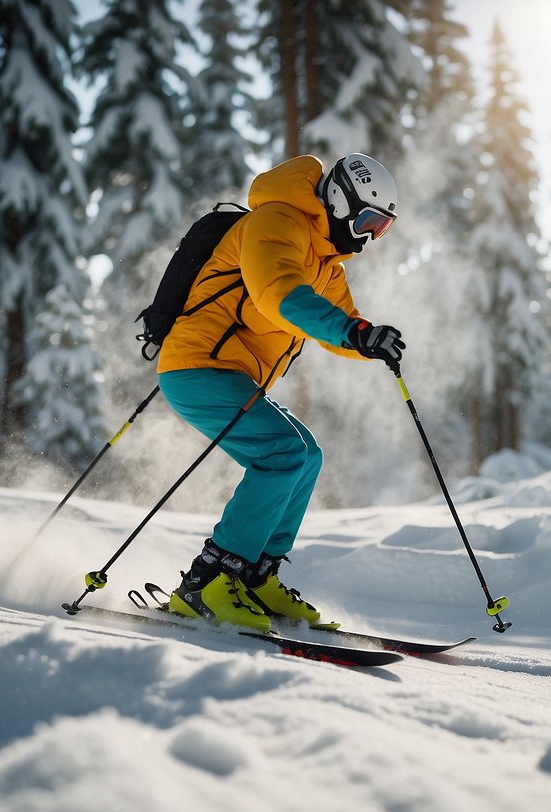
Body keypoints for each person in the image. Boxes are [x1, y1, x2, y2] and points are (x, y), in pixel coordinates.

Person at [157, 153, 404, 631]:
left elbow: (341, 326)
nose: (372, 236)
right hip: (197, 365)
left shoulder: (328, 264)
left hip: (233, 376)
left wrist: (369, 340)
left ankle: (254, 575)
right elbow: (279, 292)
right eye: (371, 221)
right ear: (340, 200)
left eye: (383, 228)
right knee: (283, 453)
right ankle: (207, 583)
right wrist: (353, 333)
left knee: (306, 455)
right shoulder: (277, 221)